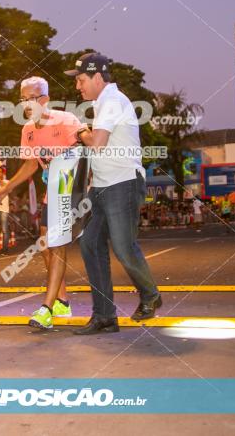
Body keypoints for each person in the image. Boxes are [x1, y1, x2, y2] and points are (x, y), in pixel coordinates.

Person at [66, 52, 161, 334]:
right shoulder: (103, 102)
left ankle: (151, 295)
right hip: (103, 186)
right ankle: (104, 315)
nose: (77, 86)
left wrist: (81, 131)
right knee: (90, 244)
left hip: (122, 184)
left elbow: (97, 143)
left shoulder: (112, 100)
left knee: (123, 246)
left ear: (97, 77)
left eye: (81, 80)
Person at [0, 76, 83, 330]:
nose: (25, 104)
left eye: (30, 98)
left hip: (73, 190)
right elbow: (31, 165)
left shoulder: (66, 121)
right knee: (45, 243)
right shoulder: (28, 130)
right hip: (52, 192)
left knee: (55, 243)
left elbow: (85, 155)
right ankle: (62, 300)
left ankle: (47, 308)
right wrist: (6, 188)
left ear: (44, 99)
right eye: (22, 99)